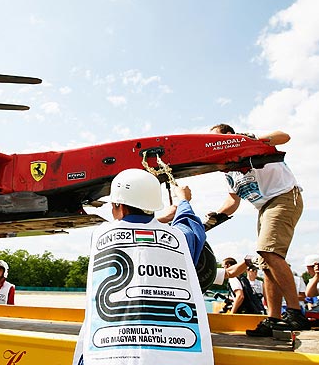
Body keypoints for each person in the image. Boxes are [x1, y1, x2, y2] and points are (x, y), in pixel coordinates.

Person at [72, 169, 213, 365]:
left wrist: (162, 219)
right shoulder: (179, 238)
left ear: (118, 205)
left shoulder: (101, 236)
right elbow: (190, 226)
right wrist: (183, 201)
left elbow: (135, 229)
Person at [208, 124, 308, 335]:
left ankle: (296, 314)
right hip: (264, 207)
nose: (212, 144)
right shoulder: (228, 168)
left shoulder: (251, 144)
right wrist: (213, 219)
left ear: (229, 136)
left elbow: (285, 135)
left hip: (283, 197)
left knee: (268, 251)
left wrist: (252, 138)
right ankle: (274, 318)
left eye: (215, 139)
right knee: (266, 262)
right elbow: (232, 200)